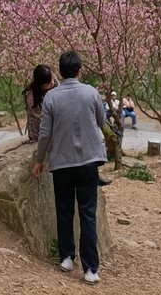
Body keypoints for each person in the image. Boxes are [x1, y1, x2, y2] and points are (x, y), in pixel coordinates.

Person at [31, 50, 107, 285]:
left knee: (64, 210)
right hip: (88, 162)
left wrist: (39, 160)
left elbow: (44, 134)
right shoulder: (91, 92)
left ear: (60, 72)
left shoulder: (51, 98)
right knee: (87, 213)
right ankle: (91, 269)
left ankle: (66, 257)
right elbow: (101, 121)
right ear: (79, 70)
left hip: (62, 163)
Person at [24, 63, 56, 142]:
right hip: (39, 136)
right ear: (40, 85)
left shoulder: (53, 81)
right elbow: (43, 121)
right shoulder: (31, 97)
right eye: (49, 82)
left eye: (52, 78)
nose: (52, 82)